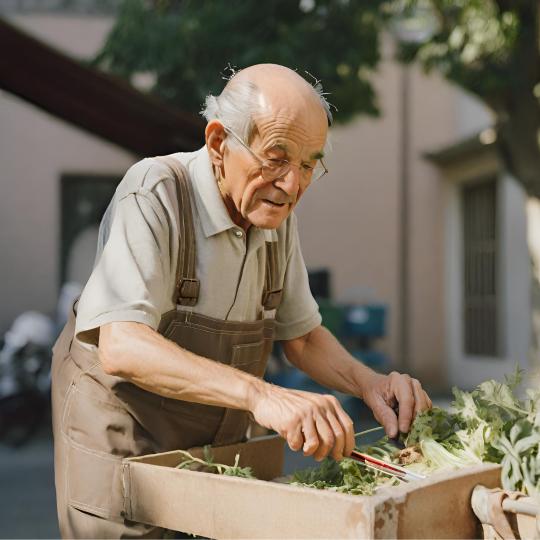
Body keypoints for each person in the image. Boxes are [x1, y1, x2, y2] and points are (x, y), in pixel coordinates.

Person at [51, 63, 432, 538]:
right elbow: (122, 344)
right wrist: (262, 395)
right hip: (124, 443)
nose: (292, 185)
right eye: (276, 157)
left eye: (309, 164)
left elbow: (303, 337)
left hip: (214, 449)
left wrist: (369, 384)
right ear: (218, 143)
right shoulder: (155, 193)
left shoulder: (275, 216)